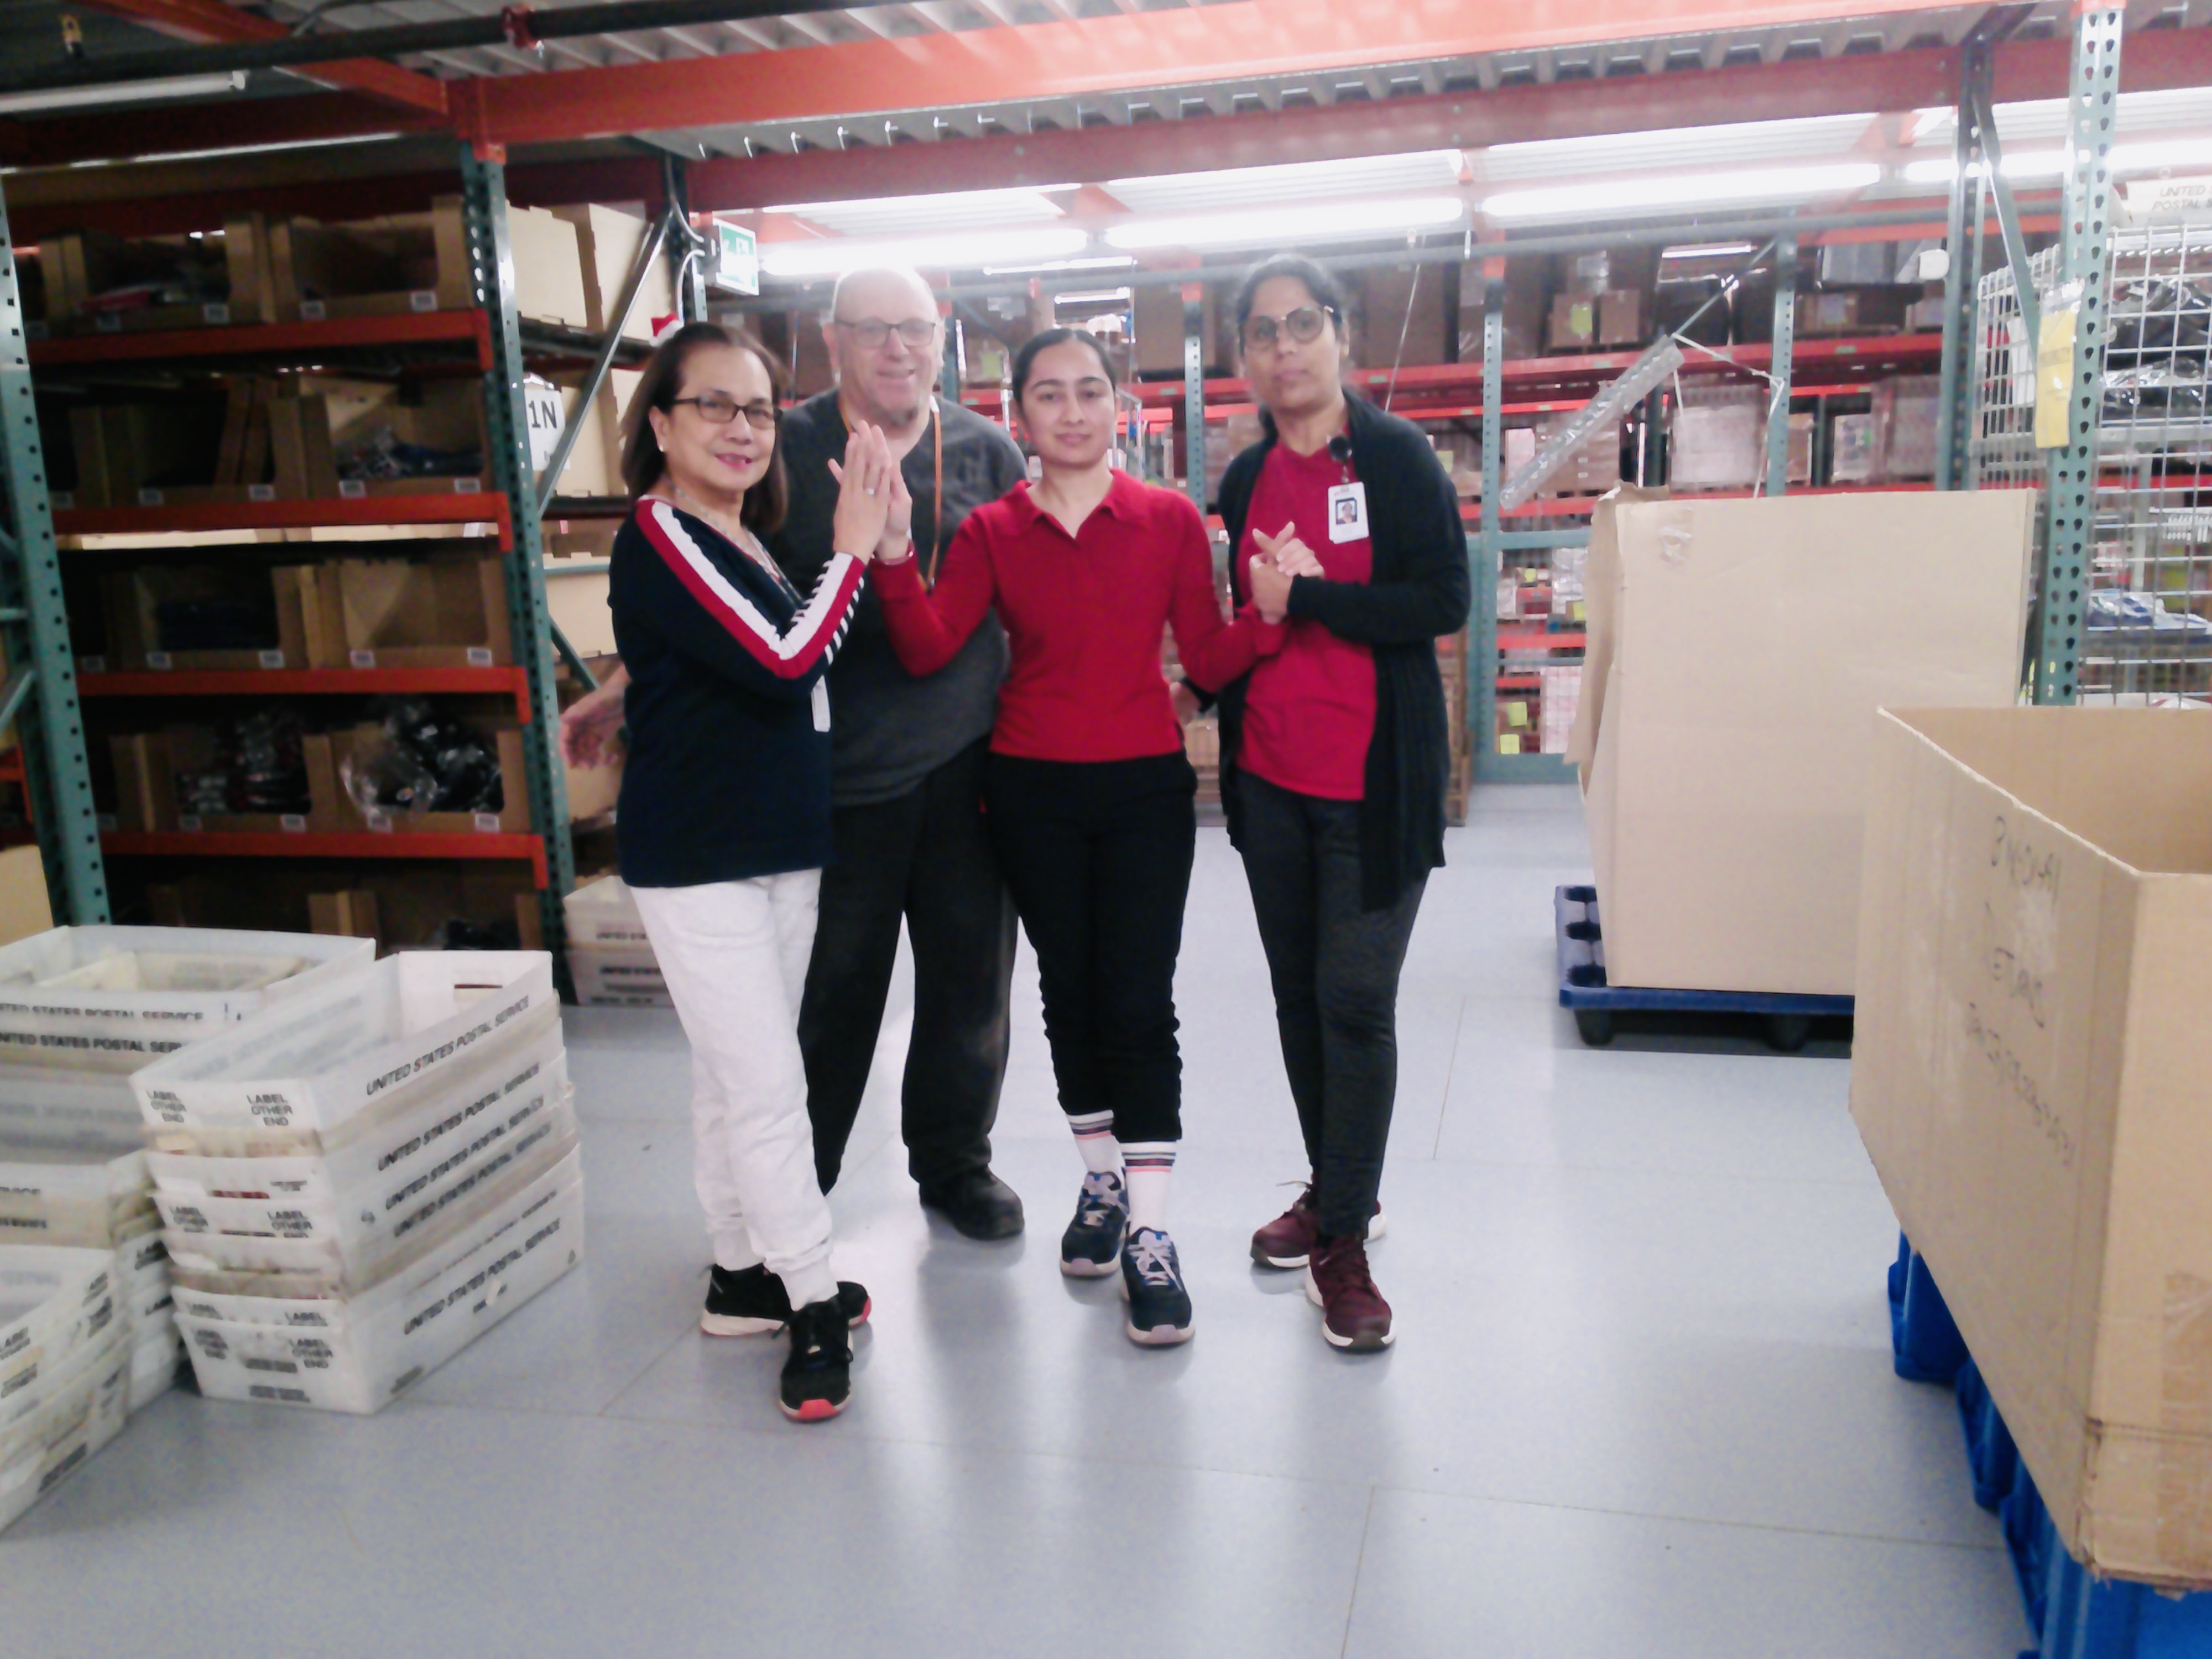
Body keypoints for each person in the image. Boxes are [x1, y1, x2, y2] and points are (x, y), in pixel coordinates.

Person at [564, 268, 1031, 1241]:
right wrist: (625, 685)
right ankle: (796, 1189)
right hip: (834, 778)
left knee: (969, 984)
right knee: (832, 996)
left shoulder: (987, 451)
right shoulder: (777, 445)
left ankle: (955, 1162)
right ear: (833, 340)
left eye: (915, 329)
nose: (897, 348)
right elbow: (725, 593)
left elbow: (1024, 600)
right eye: (873, 329)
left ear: (940, 339)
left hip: (965, 761)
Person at [866, 327, 1287, 1346]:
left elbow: (1207, 653)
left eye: (1090, 391)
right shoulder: (991, 532)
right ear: (1019, 415)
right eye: (1048, 394)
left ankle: (1150, 1232)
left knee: (1137, 1001)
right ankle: (1101, 1181)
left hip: (1144, 792)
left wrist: (1270, 615)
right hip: (1030, 793)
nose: (1071, 412)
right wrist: (891, 552)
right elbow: (926, 647)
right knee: (1067, 995)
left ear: (1119, 406)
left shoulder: (1169, 519)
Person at [597, 320, 888, 1422]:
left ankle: (739, 1275)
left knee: (734, 1078)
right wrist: (852, 549)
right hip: (704, 856)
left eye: (759, 409)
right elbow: (786, 661)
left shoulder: (735, 539)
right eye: (712, 404)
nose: (742, 428)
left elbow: (736, 658)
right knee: (769, 1087)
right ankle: (810, 1300)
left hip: (774, 846)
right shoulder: (663, 531)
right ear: (661, 424)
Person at [1210, 254, 1470, 1354]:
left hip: (1372, 785)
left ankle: (1345, 1244)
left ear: (1339, 335)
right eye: (1263, 331)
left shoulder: (1396, 457)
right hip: (1271, 781)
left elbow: (1441, 600)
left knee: (1354, 1003)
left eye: (1303, 324)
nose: (1285, 348)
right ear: (1244, 355)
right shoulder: (1243, 478)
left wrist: (1308, 593)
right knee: (1296, 1000)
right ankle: (1332, 1190)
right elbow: (1250, 622)